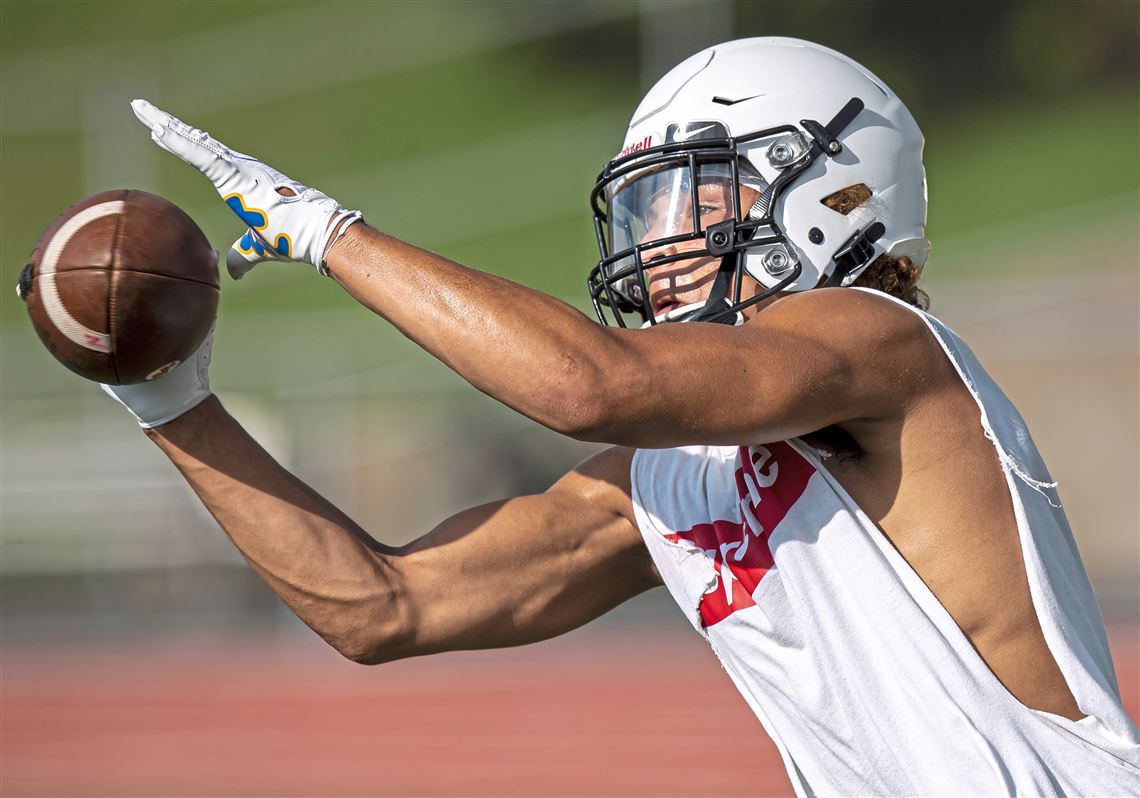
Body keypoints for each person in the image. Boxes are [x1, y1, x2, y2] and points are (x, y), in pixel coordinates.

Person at [97, 38, 1136, 795]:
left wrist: (326, 231)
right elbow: (386, 607)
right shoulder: (675, 472)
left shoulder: (878, 340)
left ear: (834, 192)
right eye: (649, 209)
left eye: (697, 198)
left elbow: (586, 387)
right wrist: (169, 402)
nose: (663, 241)